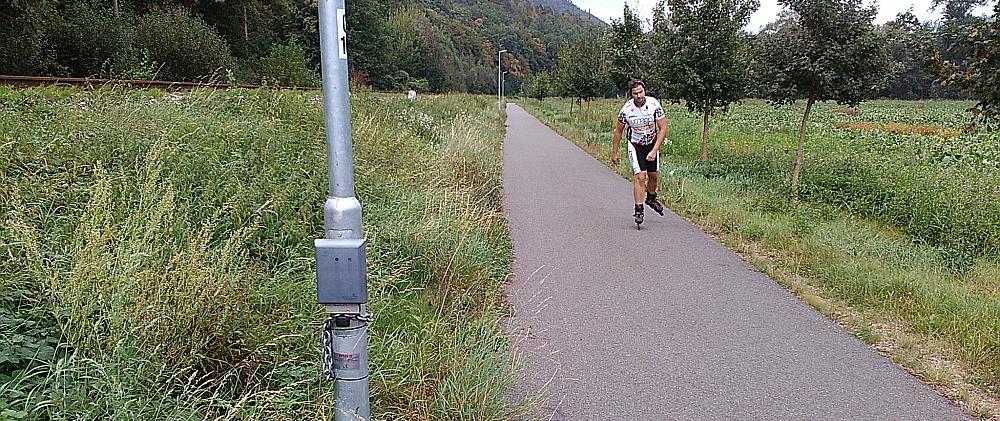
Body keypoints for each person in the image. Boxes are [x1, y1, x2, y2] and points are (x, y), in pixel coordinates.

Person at [610, 79, 668, 227]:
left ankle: (651, 198)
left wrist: (654, 150)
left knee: (653, 176)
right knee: (640, 176)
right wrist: (614, 153)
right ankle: (639, 209)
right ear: (631, 94)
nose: (639, 96)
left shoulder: (654, 104)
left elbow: (663, 128)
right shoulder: (626, 110)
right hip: (635, 145)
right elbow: (618, 131)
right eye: (635, 93)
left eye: (641, 92)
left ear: (645, 91)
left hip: (652, 144)